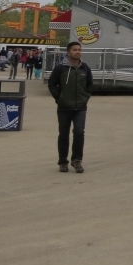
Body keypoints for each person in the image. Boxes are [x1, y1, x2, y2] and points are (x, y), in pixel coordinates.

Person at [47, 41, 93, 173]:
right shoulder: (60, 68)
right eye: (74, 50)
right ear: (68, 52)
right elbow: (52, 84)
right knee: (63, 135)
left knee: (79, 133)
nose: (78, 52)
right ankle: (63, 162)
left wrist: (86, 96)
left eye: (79, 50)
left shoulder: (85, 68)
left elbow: (90, 85)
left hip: (80, 108)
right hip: (64, 107)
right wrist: (59, 98)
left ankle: (77, 160)